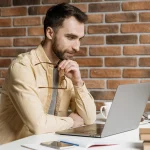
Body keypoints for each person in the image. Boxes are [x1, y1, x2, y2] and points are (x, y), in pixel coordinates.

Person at [0, 3, 96, 144]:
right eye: (70, 37)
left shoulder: (67, 69)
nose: (77, 47)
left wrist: (78, 83)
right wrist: (72, 121)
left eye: (79, 39)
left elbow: (89, 118)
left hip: (48, 145)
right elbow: (38, 125)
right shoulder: (23, 67)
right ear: (50, 33)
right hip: (16, 146)